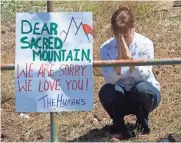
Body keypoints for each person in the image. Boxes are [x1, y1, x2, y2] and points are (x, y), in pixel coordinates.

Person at [99, 6, 161, 139]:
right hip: (121, 96)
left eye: (125, 35)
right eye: (117, 36)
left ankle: (142, 124)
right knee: (106, 91)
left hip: (144, 95)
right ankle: (118, 126)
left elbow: (144, 75)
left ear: (134, 28)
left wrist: (130, 60)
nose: (121, 40)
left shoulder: (145, 44)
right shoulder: (106, 48)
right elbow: (109, 80)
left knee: (142, 89)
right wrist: (118, 64)